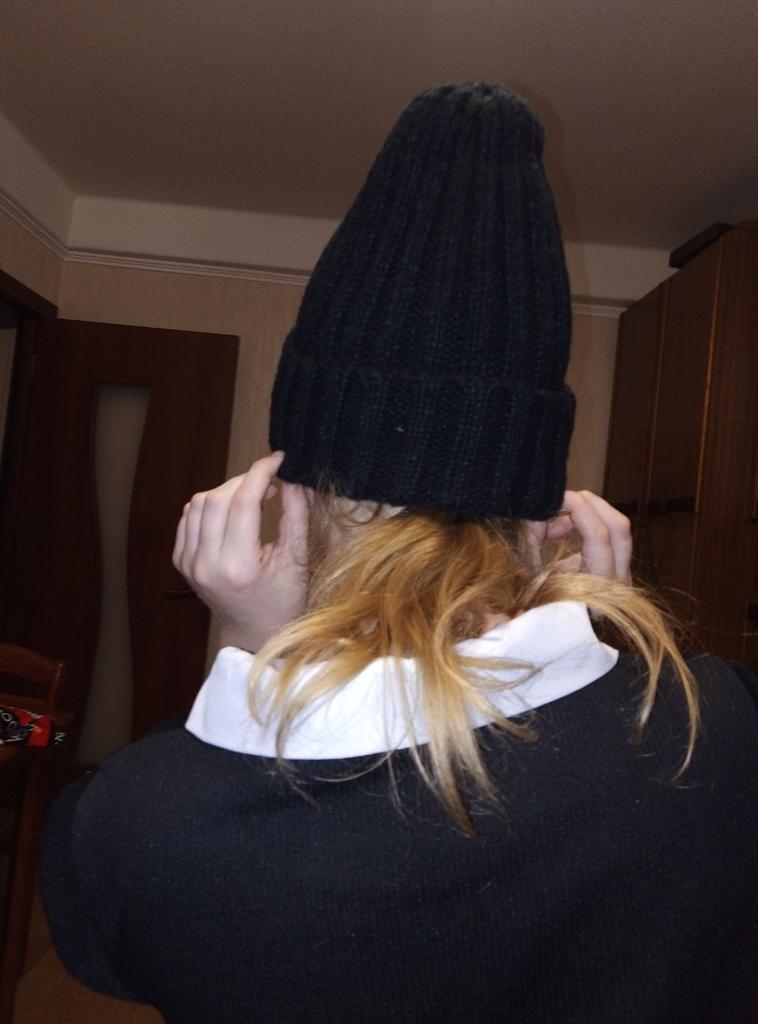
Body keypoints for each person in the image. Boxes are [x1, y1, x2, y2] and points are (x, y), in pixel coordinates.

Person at [41, 83, 757, 1023]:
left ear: (289, 498)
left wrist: (252, 650)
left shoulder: (145, 823)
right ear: (548, 517)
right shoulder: (722, 727)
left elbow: (106, 948)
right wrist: (617, 668)